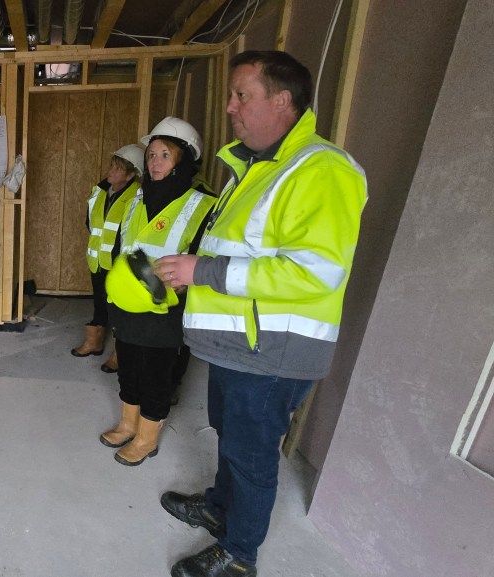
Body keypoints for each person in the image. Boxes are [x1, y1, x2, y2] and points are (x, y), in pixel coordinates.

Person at [153, 51, 367, 577]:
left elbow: (316, 273)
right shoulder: (256, 168)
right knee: (232, 436)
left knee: (251, 458)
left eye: (241, 95)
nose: (229, 107)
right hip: (240, 346)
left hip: (273, 351)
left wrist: (202, 271)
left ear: (283, 101)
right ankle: (220, 509)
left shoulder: (322, 170)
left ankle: (239, 554)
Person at [101, 118, 214, 467]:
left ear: (184, 160)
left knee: (156, 374)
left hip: (167, 309)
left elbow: (205, 258)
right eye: (151, 155)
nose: (154, 162)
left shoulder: (202, 203)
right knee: (129, 366)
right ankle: (127, 423)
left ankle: (147, 438)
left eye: (165, 155)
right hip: (129, 303)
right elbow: (125, 246)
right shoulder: (137, 198)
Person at [70, 144, 145, 366]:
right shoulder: (101, 192)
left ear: (131, 175)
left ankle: (118, 354)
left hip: (120, 265)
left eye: (118, 169)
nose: (110, 171)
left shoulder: (137, 197)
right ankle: (94, 342)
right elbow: (90, 222)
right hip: (98, 261)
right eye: (111, 166)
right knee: (100, 304)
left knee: (120, 310)